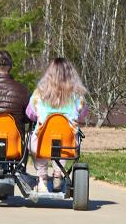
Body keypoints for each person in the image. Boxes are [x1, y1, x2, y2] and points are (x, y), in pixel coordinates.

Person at [25, 57, 86, 190]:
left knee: (36, 140)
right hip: (69, 144)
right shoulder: (78, 96)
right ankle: (58, 175)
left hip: (41, 143)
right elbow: (81, 115)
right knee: (62, 140)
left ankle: (42, 178)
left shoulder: (39, 94)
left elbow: (30, 114)